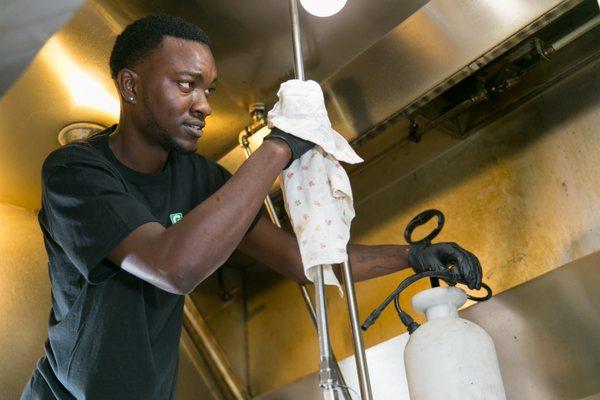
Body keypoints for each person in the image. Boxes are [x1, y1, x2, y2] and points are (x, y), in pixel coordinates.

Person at [21, 15, 482, 400]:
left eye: (209, 90)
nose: (202, 104)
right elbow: (172, 266)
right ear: (131, 85)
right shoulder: (76, 173)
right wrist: (277, 148)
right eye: (186, 85)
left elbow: (302, 263)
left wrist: (410, 258)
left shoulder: (200, 179)